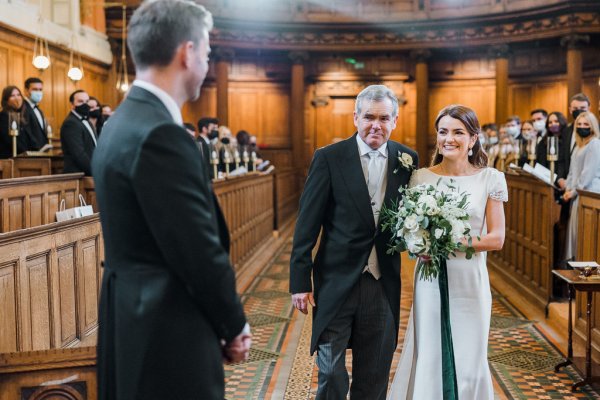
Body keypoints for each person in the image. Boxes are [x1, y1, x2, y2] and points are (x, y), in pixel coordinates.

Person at [92, 2, 250, 399]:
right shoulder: (161, 134)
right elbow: (197, 250)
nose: (208, 64)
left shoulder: (119, 124)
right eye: (208, 53)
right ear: (187, 52)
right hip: (167, 328)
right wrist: (233, 324)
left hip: (130, 318)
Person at [290, 84, 418, 400]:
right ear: (355, 117)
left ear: (395, 120)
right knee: (331, 370)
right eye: (369, 117)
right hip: (336, 280)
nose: (376, 125)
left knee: (374, 373)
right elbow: (307, 224)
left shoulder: (407, 159)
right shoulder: (329, 158)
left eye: (384, 118)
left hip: (382, 280)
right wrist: (299, 281)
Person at [389, 104, 507, 399]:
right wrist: (418, 242)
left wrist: (449, 240)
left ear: (473, 138)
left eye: (458, 132)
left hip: (470, 281)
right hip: (430, 280)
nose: (449, 139)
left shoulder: (490, 179)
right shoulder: (420, 178)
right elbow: (410, 231)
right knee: (430, 351)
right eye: (443, 132)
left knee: (470, 353)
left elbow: (496, 239)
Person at [562, 112, 600, 261]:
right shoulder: (579, 145)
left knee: (585, 233)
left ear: (592, 126)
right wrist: (568, 189)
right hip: (576, 193)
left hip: (588, 193)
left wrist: (574, 191)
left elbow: (588, 173)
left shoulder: (595, 143)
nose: (582, 127)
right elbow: (572, 171)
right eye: (579, 124)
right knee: (576, 232)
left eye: (586, 124)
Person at [557, 93, 591, 189]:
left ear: (589, 108)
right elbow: (562, 158)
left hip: (588, 187)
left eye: (582, 108)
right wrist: (560, 179)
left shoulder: (597, 132)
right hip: (567, 185)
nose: (579, 111)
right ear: (570, 110)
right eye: (575, 108)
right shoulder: (566, 131)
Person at [60, 89, 97, 175]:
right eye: (80, 101)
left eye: (87, 101)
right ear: (72, 105)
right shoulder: (71, 123)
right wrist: (95, 171)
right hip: (79, 175)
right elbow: (79, 154)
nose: (85, 104)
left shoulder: (86, 121)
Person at [0, 86, 29, 158]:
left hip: (22, 156)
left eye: (18, 95)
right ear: (6, 100)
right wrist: (26, 151)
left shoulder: (21, 115)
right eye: (12, 96)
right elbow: (9, 140)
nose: (17, 98)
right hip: (9, 157)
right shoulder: (3, 115)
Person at [22, 77, 48, 150]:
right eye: (35, 89)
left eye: (40, 90)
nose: (38, 92)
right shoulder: (22, 108)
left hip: (41, 153)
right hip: (30, 153)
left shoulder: (39, 110)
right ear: (26, 91)